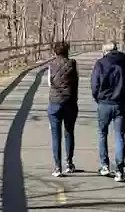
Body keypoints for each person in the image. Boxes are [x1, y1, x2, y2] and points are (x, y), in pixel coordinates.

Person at [91, 41, 125, 182]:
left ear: (105, 51)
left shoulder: (100, 64)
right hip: (120, 104)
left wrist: (98, 98)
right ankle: (119, 170)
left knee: (102, 134)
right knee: (119, 136)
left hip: (104, 103)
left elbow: (94, 84)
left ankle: (104, 165)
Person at [45, 40, 79, 177]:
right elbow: (77, 80)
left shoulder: (51, 65)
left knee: (55, 135)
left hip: (55, 103)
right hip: (70, 102)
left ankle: (57, 167)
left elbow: (49, 82)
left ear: (55, 52)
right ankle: (69, 163)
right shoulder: (73, 63)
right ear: (67, 51)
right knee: (69, 132)